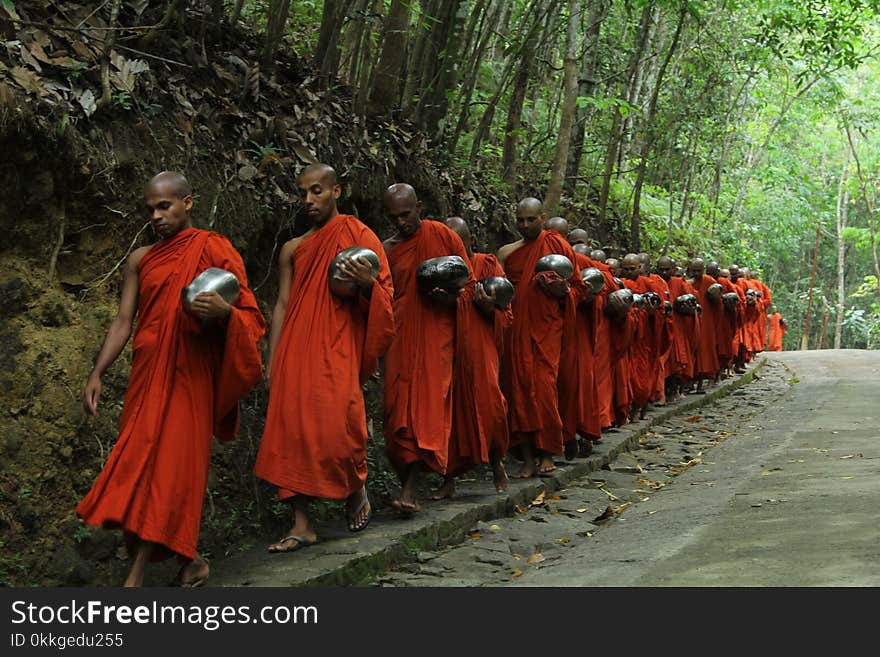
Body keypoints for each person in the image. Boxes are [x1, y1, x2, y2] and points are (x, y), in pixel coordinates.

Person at [77, 172, 266, 587]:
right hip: (147, 375)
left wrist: (225, 314)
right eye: (150, 209)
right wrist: (97, 371)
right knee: (140, 465)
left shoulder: (214, 248)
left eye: (165, 206)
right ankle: (192, 560)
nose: (157, 216)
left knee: (171, 469)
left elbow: (250, 317)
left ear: (188, 203)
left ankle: (136, 576)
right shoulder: (140, 259)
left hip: (191, 374)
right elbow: (124, 321)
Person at [254, 164, 395, 553]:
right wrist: (273, 357)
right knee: (289, 434)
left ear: (337, 191)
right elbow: (282, 303)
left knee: (340, 423)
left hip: (338, 343)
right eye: (303, 193)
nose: (308, 200)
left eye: (317, 191)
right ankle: (302, 524)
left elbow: (384, 295)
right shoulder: (293, 248)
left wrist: (367, 284)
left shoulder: (359, 235)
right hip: (295, 348)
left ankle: (355, 486)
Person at [382, 184, 472, 516]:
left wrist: (449, 298)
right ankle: (410, 483)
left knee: (426, 410)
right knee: (394, 416)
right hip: (399, 337)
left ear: (419, 207)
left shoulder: (443, 236)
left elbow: (469, 284)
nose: (401, 222)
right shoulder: (386, 249)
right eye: (394, 217)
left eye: (406, 214)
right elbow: (380, 295)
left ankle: (410, 491)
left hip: (436, 335)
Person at [498, 199, 587, 477]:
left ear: (543, 218)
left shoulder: (557, 247)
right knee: (517, 392)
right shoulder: (506, 252)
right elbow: (500, 291)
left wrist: (563, 291)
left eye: (531, 219)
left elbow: (579, 288)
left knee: (545, 389)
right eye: (520, 220)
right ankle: (526, 458)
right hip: (515, 332)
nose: (525, 225)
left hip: (547, 331)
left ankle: (547, 451)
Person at [433, 217, 511, 498]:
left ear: (470, 241)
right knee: (449, 411)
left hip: (480, 347)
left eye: (458, 242)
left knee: (491, 405)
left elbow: (506, 312)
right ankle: (448, 478)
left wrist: (487, 306)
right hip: (447, 345)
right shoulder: (438, 271)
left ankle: (497, 463)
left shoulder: (486, 264)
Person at [657, 256, 698, 401]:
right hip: (661, 328)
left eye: (667, 269)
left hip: (677, 327)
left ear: (673, 270)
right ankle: (662, 391)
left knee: (676, 362)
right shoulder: (655, 282)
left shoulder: (680, 283)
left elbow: (691, 305)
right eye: (660, 269)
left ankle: (674, 389)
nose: (663, 272)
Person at [687, 258, 720, 392]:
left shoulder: (710, 282)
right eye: (693, 271)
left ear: (703, 270)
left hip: (707, 322)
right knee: (692, 352)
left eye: (699, 271)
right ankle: (690, 383)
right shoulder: (688, 284)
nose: (696, 273)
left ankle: (700, 384)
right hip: (692, 322)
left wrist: (715, 297)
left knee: (704, 353)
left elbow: (718, 304)